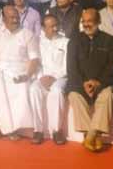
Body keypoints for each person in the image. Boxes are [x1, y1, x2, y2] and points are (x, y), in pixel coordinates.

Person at [66, 8, 113, 152]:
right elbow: (71, 68)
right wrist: (83, 84)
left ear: (99, 21)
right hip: (80, 84)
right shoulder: (74, 41)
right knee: (74, 96)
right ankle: (94, 136)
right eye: (84, 21)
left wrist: (98, 82)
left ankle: (90, 135)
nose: (86, 24)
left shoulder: (110, 41)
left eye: (90, 21)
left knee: (108, 95)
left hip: (102, 84)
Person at [0, 5, 40, 141]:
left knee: (19, 86)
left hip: (20, 71)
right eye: (11, 17)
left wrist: (27, 75)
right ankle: (7, 128)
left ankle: (6, 128)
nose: (15, 20)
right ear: (3, 19)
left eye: (17, 17)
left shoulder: (27, 34)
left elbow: (34, 59)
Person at [29, 14, 69, 145]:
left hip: (60, 77)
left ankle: (57, 131)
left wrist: (55, 77)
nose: (55, 29)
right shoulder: (37, 42)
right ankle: (38, 130)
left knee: (57, 90)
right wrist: (41, 77)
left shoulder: (65, 42)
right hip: (43, 77)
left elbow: (67, 65)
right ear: (43, 28)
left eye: (56, 25)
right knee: (33, 89)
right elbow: (36, 64)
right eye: (51, 26)